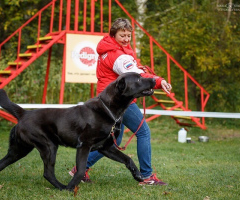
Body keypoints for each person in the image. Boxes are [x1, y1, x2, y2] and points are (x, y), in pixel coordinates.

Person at [69, 18, 172, 185]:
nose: (126, 39)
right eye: (122, 35)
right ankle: (147, 176)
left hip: (109, 100)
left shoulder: (109, 48)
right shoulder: (117, 56)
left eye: (128, 35)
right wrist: (158, 81)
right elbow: (136, 75)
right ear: (113, 35)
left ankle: (79, 169)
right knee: (143, 132)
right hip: (118, 101)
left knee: (113, 141)